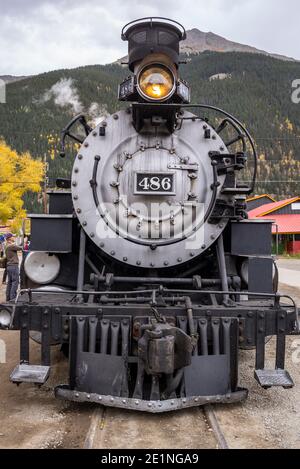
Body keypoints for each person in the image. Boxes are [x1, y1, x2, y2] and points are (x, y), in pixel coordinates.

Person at [5, 233, 22, 301]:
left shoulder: (7, 245)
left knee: (10, 283)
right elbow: (21, 248)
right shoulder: (11, 246)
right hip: (14, 266)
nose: (14, 237)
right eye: (13, 236)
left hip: (9, 266)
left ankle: (8, 298)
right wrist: (25, 241)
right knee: (15, 282)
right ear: (9, 238)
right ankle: (13, 299)